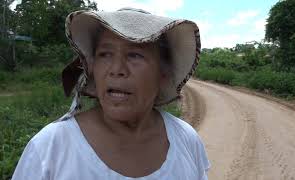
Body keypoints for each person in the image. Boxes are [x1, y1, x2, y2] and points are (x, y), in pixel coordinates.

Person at [11, 7, 210, 180]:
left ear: (163, 74)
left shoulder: (186, 140)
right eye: (105, 54)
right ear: (92, 69)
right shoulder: (50, 148)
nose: (116, 69)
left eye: (135, 55)